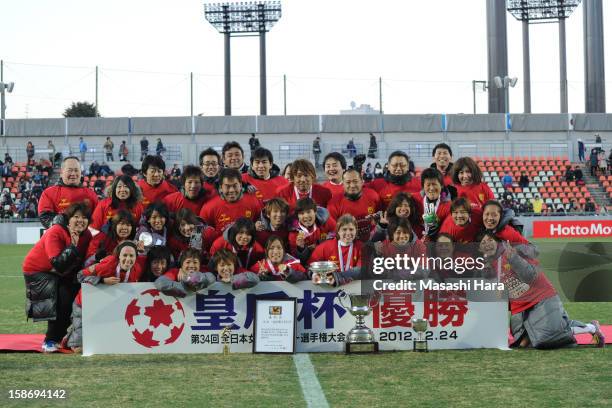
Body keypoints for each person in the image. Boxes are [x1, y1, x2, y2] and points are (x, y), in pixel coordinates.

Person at [479, 232, 605, 349]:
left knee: (547, 336)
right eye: (483, 242)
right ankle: (563, 324)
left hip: (539, 296)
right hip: (520, 305)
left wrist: (514, 257)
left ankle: (592, 327)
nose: (487, 244)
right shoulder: (490, 265)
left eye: (490, 240)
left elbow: (529, 272)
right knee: (522, 344)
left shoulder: (510, 253)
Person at [22, 202, 93, 352]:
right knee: (61, 301)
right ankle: (50, 340)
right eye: (76, 217)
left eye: (84, 218)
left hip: (64, 271)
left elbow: (82, 258)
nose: (80, 220)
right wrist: (72, 247)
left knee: (74, 296)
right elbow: (57, 262)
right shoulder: (56, 231)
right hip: (39, 269)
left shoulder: (86, 234)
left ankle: (63, 336)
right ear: (69, 219)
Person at [65, 241, 142, 351]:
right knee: (78, 348)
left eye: (131, 256)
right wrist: (101, 280)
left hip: (109, 306)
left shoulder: (137, 269)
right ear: (118, 256)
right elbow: (80, 276)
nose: (128, 259)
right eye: (125, 255)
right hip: (85, 304)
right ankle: (71, 332)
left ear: (136, 257)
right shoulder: (108, 264)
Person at [38, 156, 99, 229]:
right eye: (70, 170)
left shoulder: (91, 194)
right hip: (60, 238)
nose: (73, 173)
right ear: (61, 172)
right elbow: (45, 217)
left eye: (76, 170)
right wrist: (56, 224)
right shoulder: (48, 193)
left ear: (81, 172)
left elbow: (98, 218)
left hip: (85, 238)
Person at [199, 168, 263, 234]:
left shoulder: (253, 202)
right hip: (220, 244)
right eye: (227, 186)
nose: (231, 190)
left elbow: (260, 224)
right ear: (220, 188)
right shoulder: (209, 207)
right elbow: (201, 233)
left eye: (235, 186)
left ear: (240, 185)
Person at [328, 168, 381, 242]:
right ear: (343, 184)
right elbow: (332, 231)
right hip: (346, 243)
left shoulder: (372, 195)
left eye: (355, 181)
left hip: (370, 240)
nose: (352, 185)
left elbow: (379, 218)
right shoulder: (334, 203)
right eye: (348, 182)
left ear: (362, 182)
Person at [308, 214, 362, 287]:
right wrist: (314, 275)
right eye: (344, 229)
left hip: (353, 291)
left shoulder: (361, 247)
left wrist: (335, 277)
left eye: (351, 229)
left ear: (356, 230)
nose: (348, 233)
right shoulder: (325, 246)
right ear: (338, 231)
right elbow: (311, 266)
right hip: (329, 291)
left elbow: (360, 270)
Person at [288, 197, 336, 266]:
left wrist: (321, 243)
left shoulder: (325, 220)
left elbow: (337, 232)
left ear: (315, 211)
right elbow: (299, 261)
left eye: (308, 212)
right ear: (297, 216)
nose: (306, 216)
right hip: (309, 266)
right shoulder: (293, 234)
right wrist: (301, 248)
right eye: (302, 213)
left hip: (329, 259)